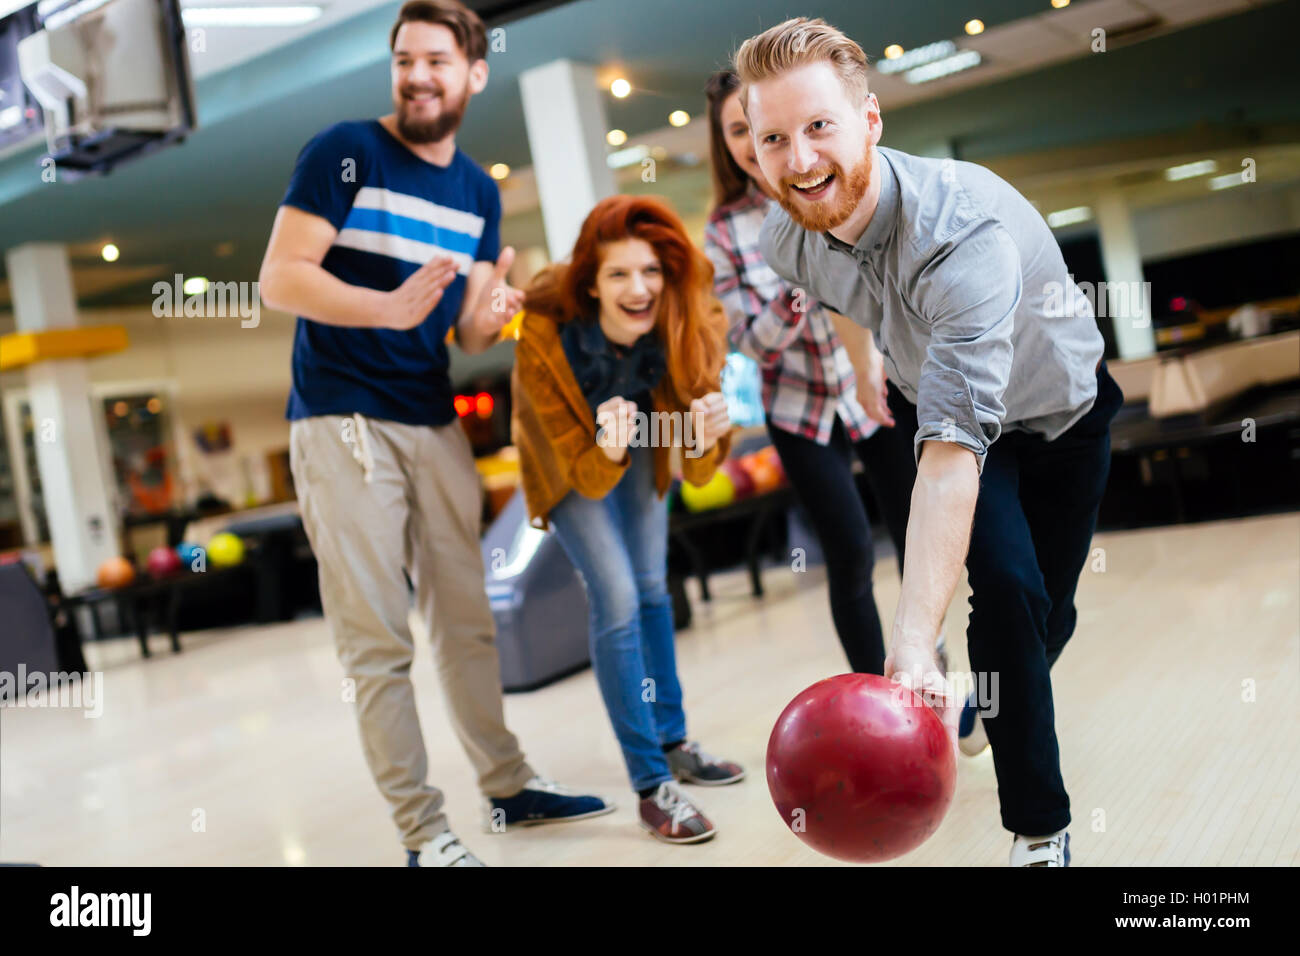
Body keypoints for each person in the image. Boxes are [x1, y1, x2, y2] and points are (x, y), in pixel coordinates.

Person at [734, 17, 1124, 867]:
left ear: (870, 119)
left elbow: (953, 469)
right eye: (773, 139)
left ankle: (990, 695)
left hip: (1059, 418)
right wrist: (867, 358)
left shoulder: (961, 231)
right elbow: (839, 290)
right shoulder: (786, 236)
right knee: (1010, 595)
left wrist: (912, 644)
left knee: (1038, 617)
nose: (798, 160)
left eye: (819, 128)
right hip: (933, 405)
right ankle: (1041, 831)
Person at [258, 0, 611, 868]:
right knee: (377, 640)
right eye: (404, 60)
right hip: (341, 422)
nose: (417, 76)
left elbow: (469, 334)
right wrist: (382, 306)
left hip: (431, 418)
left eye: (436, 63)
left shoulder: (478, 191)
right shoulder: (346, 151)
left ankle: (508, 786)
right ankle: (423, 833)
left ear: (473, 75)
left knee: (467, 622)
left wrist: (498, 307)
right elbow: (278, 278)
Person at [511, 195, 745, 845]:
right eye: (618, 275)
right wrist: (606, 447)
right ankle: (650, 785)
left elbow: (700, 472)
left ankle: (673, 742)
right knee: (614, 595)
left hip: (638, 437)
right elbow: (581, 469)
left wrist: (704, 436)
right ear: (591, 282)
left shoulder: (685, 319)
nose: (638, 288)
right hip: (568, 459)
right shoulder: (542, 336)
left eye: (649, 272)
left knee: (650, 587)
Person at [702, 69, 916, 677]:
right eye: (738, 131)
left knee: (915, 541)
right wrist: (800, 279)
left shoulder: (833, 185)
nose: (751, 140)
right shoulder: (725, 231)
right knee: (848, 553)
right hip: (798, 406)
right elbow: (753, 342)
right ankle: (877, 702)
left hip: (875, 385)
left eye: (757, 124)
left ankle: (926, 662)